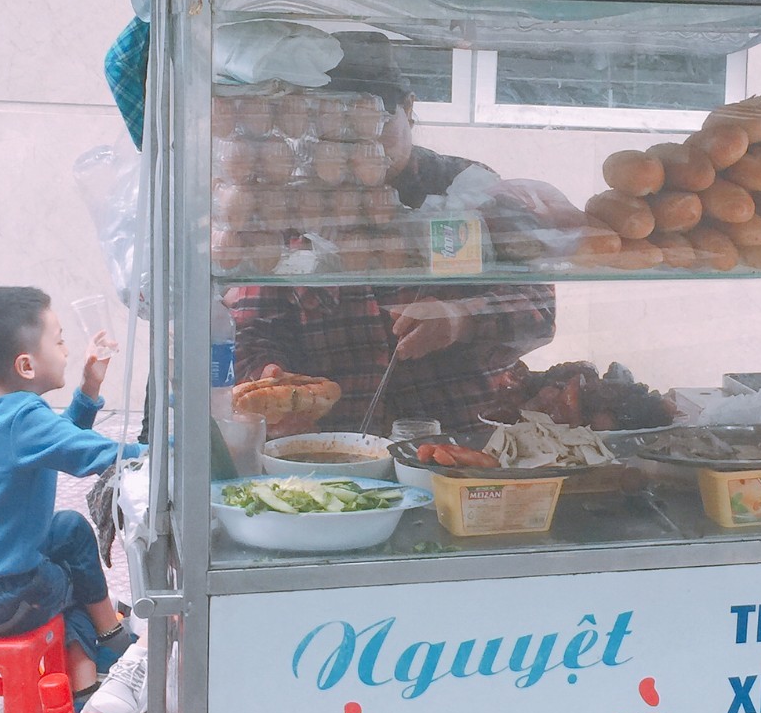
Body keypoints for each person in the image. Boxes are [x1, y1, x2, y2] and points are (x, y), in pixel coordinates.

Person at [224, 38, 555, 430]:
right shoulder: (289, 204)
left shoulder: (465, 189)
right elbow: (256, 326)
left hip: (463, 439)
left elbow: (539, 308)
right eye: (336, 133)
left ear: (409, 109)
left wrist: (459, 318)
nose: (358, 145)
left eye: (376, 126)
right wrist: (270, 374)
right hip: (335, 445)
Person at [0, 286, 143, 713]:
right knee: (70, 579)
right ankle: (90, 683)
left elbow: (56, 441)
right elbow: (90, 453)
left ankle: (109, 631)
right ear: (26, 365)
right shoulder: (25, 419)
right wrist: (166, 452)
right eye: (59, 340)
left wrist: (88, 388)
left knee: (68, 530)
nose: (66, 349)